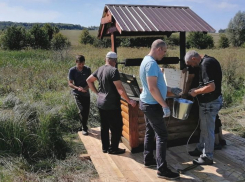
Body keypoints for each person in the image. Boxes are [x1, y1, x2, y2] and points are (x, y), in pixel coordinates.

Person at [139, 39, 181, 180]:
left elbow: (156, 85)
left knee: (150, 131)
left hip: (147, 103)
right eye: (164, 51)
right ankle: (162, 169)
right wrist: (164, 105)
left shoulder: (146, 60)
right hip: (152, 105)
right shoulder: (151, 64)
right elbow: (152, 88)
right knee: (162, 136)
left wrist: (170, 89)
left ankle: (148, 159)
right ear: (158, 49)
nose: (164, 54)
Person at [86, 51, 136, 155]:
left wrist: (97, 93)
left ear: (106, 59)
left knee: (104, 126)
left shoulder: (100, 69)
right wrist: (129, 100)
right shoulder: (113, 71)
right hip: (111, 104)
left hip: (101, 103)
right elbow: (120, 89)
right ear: (114, 61)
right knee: (116, 126)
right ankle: (113, 149)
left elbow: (89, 80)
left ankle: (105, 148)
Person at [185, 50, 223, 165]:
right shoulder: (208, 61)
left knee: (207, 130)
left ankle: (207, 156)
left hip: (210, 102)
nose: (191, 66)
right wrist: (196, 89)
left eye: (190, 64)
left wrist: (195, 92)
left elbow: (211, 87)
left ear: (193, 59)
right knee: (204, 128)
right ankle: (201, 148)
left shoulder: (206, 64)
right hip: (210, 101)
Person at [182, 66, 226, 150]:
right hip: (214, 95)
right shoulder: (205, 65)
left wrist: (185, 93)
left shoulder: (194, 66)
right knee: (215, 117)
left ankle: (215, 143)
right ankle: (221, 139)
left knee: (208, 121)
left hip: (200, 94)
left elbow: (189, 80)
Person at [68, 55, 91, 135]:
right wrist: (78, 88)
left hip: (86, 93)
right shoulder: (72, 70)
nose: (81, 66)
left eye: (82, 64)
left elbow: (90, 82)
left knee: (86, 111)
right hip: (77, 93)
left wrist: (85, 88)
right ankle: (84, 128)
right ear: (76, 62)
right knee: (82, 110)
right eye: (79, 64)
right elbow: (70, 83)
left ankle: (83, 124)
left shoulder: (87, 69)